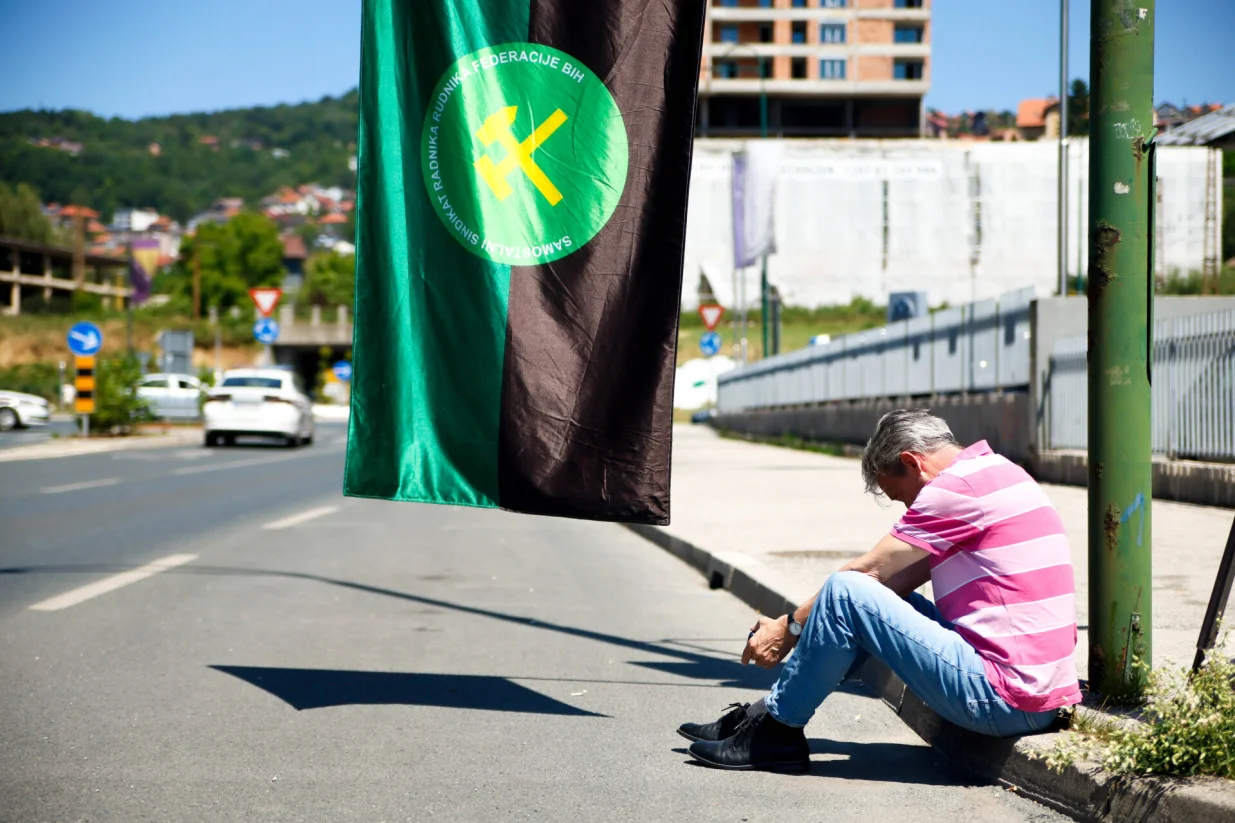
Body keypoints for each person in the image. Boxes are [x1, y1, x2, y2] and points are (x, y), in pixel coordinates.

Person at [680, 409, 1082, 772]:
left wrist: (787, 629)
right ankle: (767, 716)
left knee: (845, 589)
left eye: (903, 497)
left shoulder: (955, 489)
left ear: (912, 462)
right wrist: (800, 630)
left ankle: (776, 729)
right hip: (1033, 696)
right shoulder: (997, 472)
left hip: (1004, 699)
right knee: (861, 601)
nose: (909, 512)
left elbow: (865, 573)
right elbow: (889, 585)